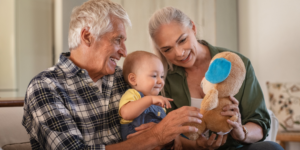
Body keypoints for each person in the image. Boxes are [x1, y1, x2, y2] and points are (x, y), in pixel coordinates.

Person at [21, 1, 214, 150]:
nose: (124, 52)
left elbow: (158, 129)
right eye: (117, 40)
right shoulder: (46, 87)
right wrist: (154, 136)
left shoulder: (125, 79)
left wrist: (172, 138)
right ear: (87, 37)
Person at [148, 6, 284, 150]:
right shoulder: (163, 79)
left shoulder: (237, 64)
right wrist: (197, 145)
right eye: (167, 49)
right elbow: (169, 135)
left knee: (271, 148)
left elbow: (260, 123)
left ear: (193, 28)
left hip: (236, 148)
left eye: (182, 40)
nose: (180, 53)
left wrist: (241, 132)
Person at [119, 51, 181, 149]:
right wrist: (150, 100)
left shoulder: (157, 103)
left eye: (162, 76)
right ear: (133, 79)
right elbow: (126, 113)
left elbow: (166, 131)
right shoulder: (133, 94)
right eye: (154, 76)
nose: (160, 81)